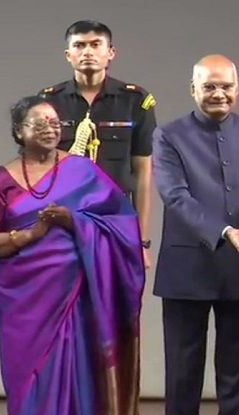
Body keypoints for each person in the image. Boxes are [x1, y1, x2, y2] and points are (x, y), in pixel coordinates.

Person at [0, 96, 145, 415]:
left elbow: (123, 224)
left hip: (75, 299)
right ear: (19, 131)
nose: (51, 129)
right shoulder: (2, 178)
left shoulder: (83, 171)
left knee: (77, 376)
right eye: (40, 124)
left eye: (55, 123)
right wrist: (29, 235)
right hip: (22, 301)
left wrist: (75, 221)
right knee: (27, 385)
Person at [152, 54, 239, 415]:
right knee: (182, 378)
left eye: (226, 86)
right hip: (185, 271)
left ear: (238, 90)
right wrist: (226, 231)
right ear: (193, 89)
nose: (218, 93)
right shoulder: (169, 135)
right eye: (209, 86)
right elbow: (175, 197)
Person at [37, 20, 156, 268]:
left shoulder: (135, 100)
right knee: (63, 300)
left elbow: (143, 172)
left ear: (110, 53)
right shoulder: (48, 101)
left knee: (116, 301)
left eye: (95, 45)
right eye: (79, 46)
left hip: (115, 218)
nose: (88, 52)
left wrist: (142, 241)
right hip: (62, 217)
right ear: (68, 55)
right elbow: (36, 168)